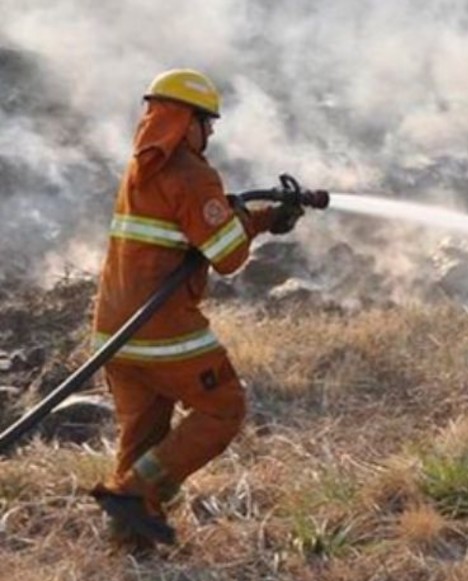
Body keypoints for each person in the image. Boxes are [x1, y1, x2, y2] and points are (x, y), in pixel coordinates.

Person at [90, 69, 306, 550]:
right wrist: (253, 222)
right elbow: (226, 255)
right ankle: (132, 493)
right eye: (206, 123)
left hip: (115, 332)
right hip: (163, 331)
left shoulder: (141, 167)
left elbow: (195, 228)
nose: (208, 134)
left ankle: (131, 541)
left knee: (144, 434)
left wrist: (267, 217)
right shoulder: (191, 174)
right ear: (186, 121)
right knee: (223, 407)